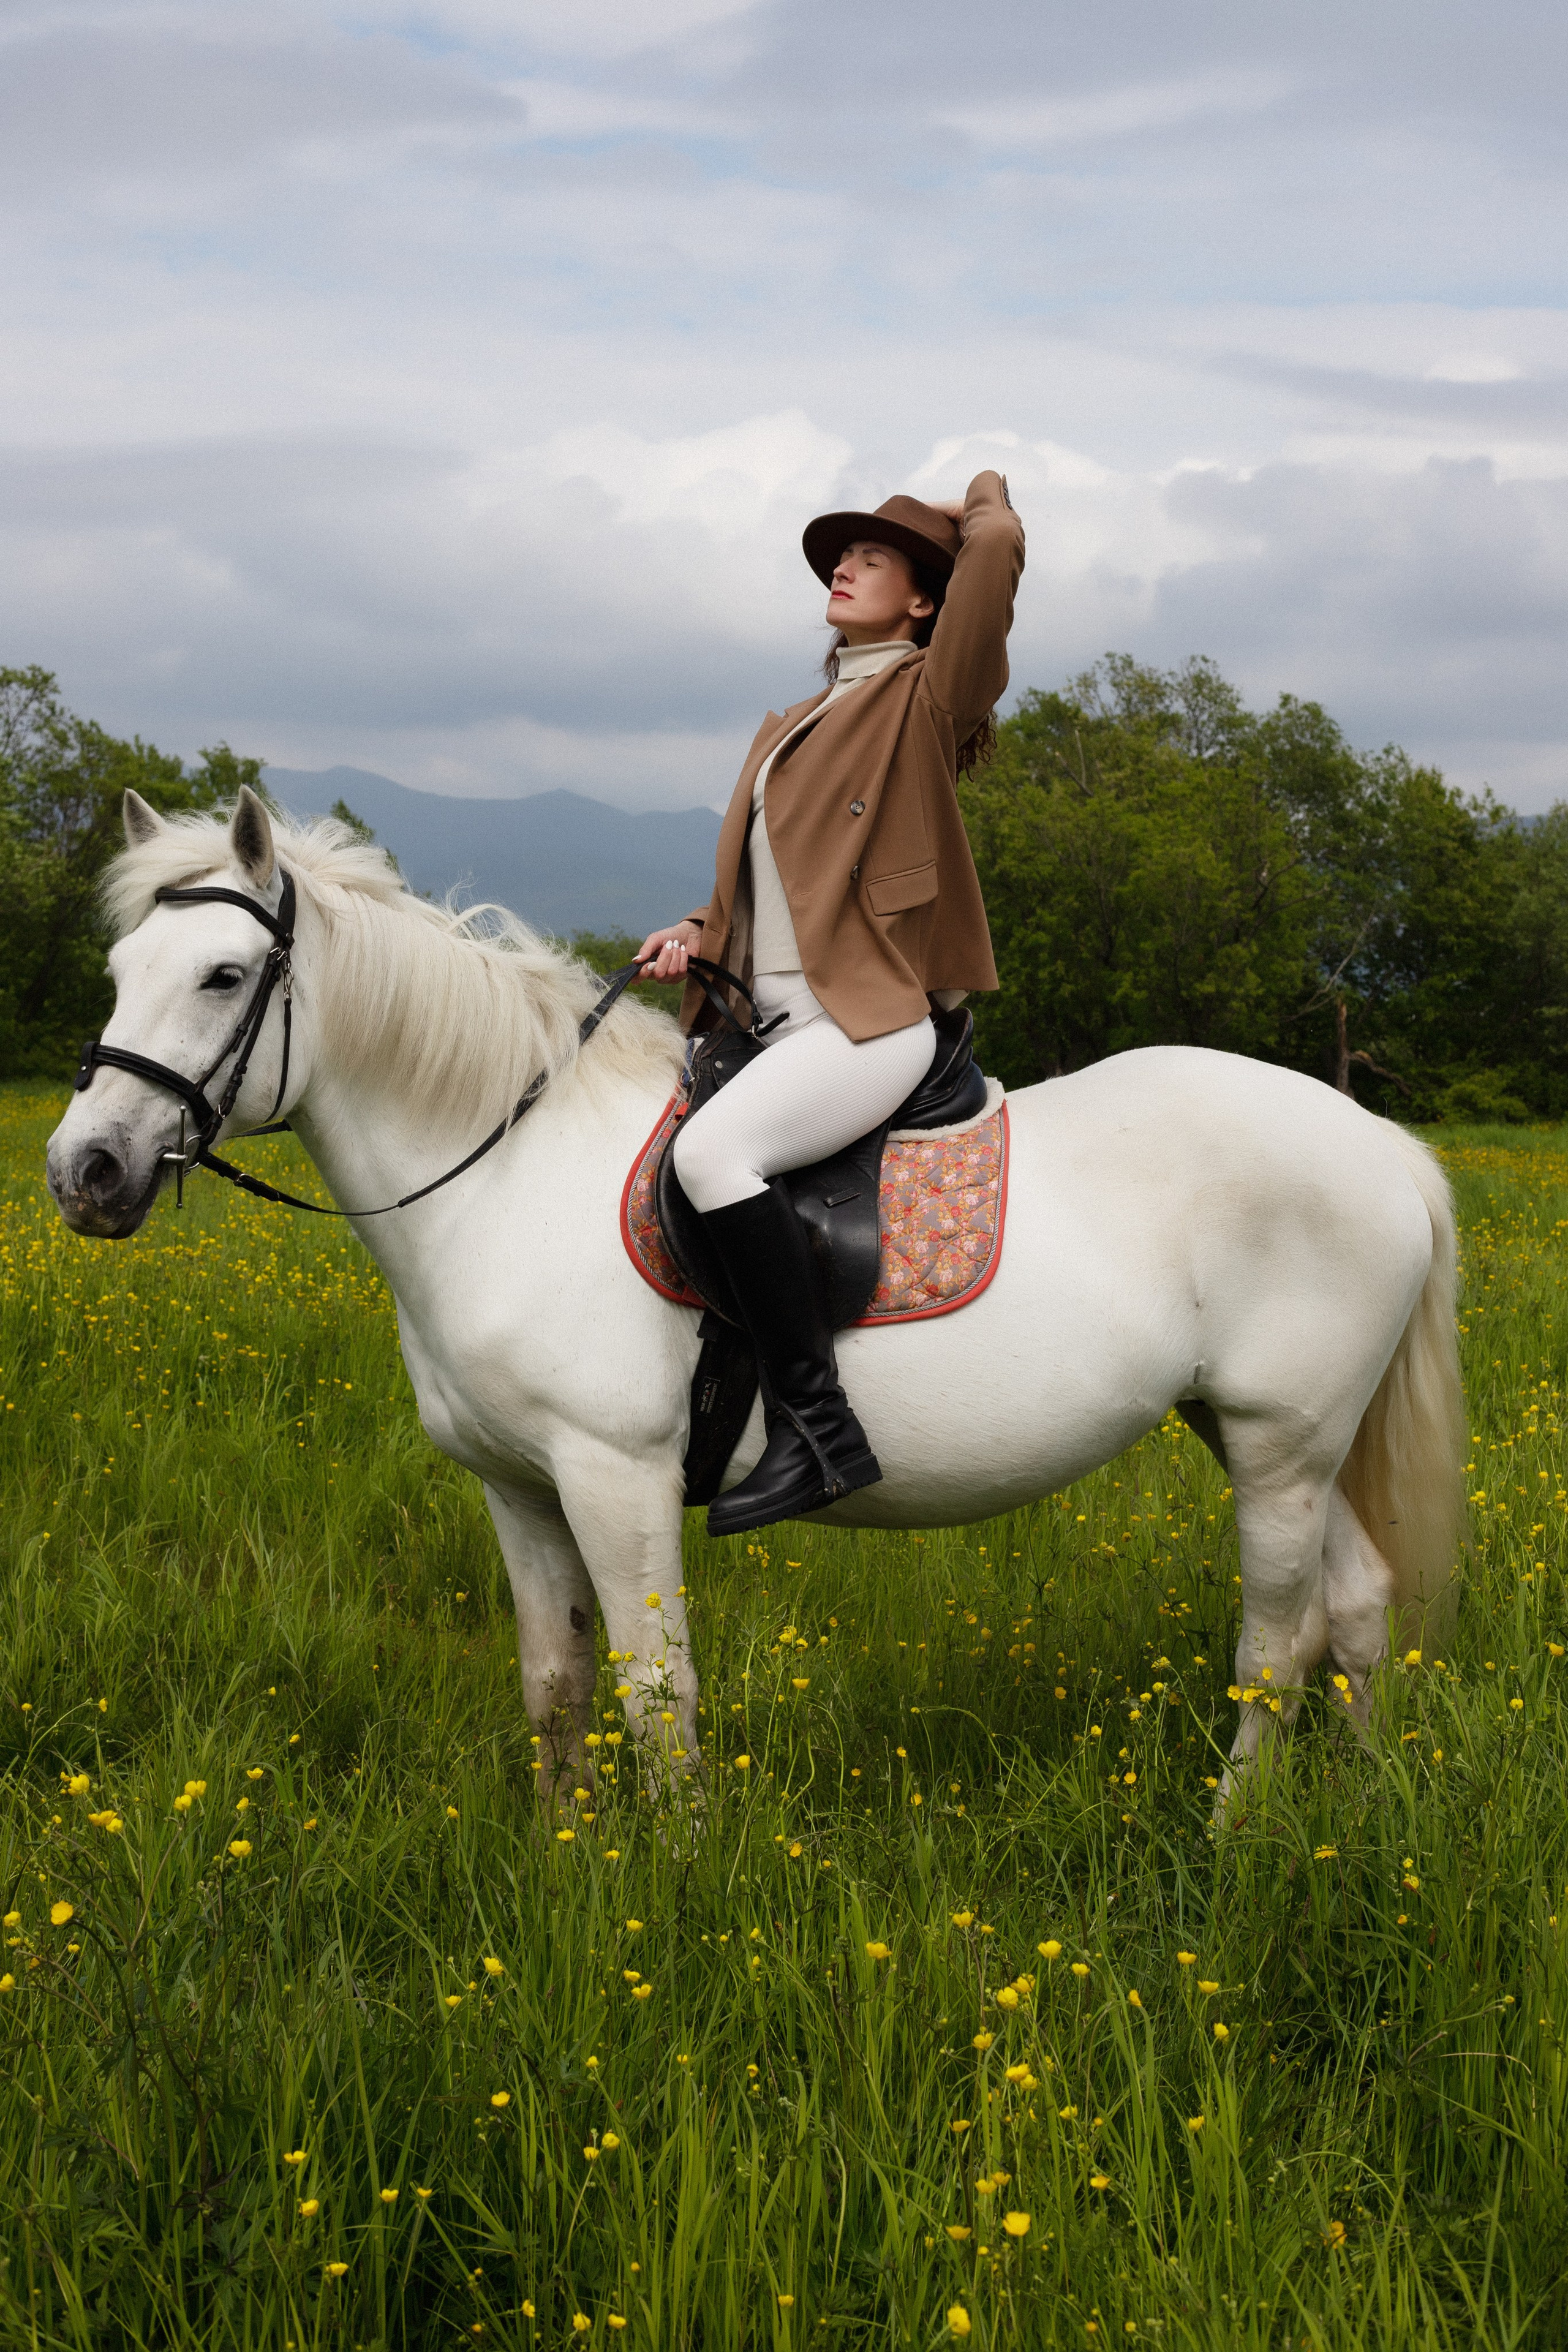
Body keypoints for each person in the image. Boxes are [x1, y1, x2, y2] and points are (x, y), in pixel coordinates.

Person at [636, 472, 1025, 1533]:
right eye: (840, 556)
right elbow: (782, 886)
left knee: (713, 1158)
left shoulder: (925, 699)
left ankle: (819, 1431)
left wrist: (981, 499)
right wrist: (698, 930)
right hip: (772, 1023)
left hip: (867, 1023)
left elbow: (993, 556)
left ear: (925, 600)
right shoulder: (800, 722)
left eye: (872, 558)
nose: (844, 567)